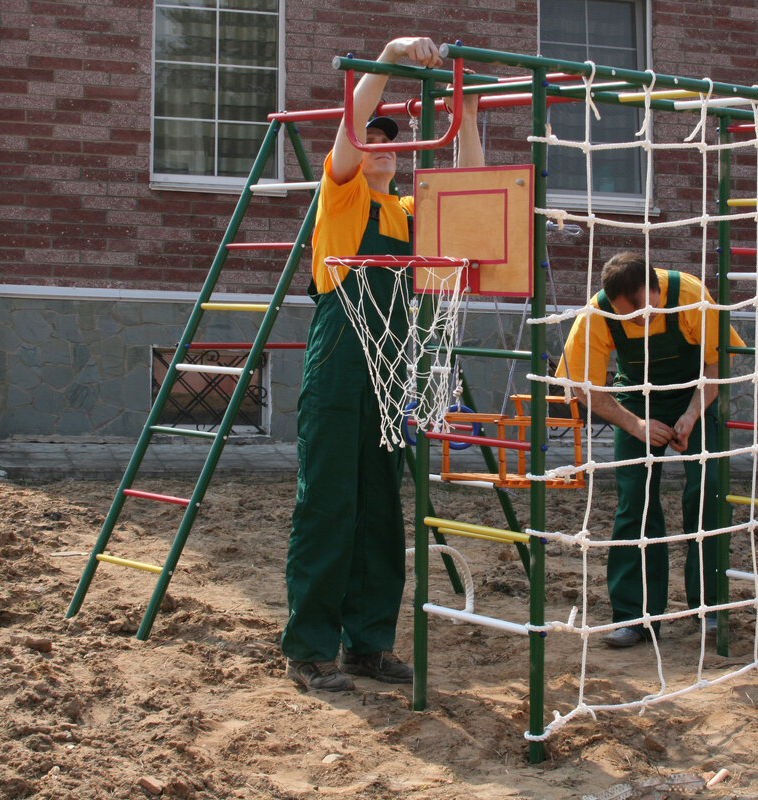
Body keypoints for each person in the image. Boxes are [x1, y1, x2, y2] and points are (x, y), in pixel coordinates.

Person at [282, 36, 483, 691]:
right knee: (329, 504)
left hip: (393, 369)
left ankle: (366, 644)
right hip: (341, 361)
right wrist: (386, 58)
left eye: (392, 138)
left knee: (380, 509)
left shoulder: (407, 210)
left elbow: (470, 192)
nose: (384, 145)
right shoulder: (342, 199)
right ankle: (309, 649)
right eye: (375, 137)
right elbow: (346, 136)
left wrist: (470, 117)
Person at [556, 252, 744, 647]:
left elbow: (718, 367)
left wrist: (691, 416)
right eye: (631, 315)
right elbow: (581, 385)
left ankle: (709, 609)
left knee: (706, 495)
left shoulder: (691, 294)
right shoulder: (596, 313)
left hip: (697, 395)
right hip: (637, 401)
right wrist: (635, 425)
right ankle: (635, 617)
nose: (641, 318)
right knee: (634, 502)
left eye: (648, 308)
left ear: (657, 287)